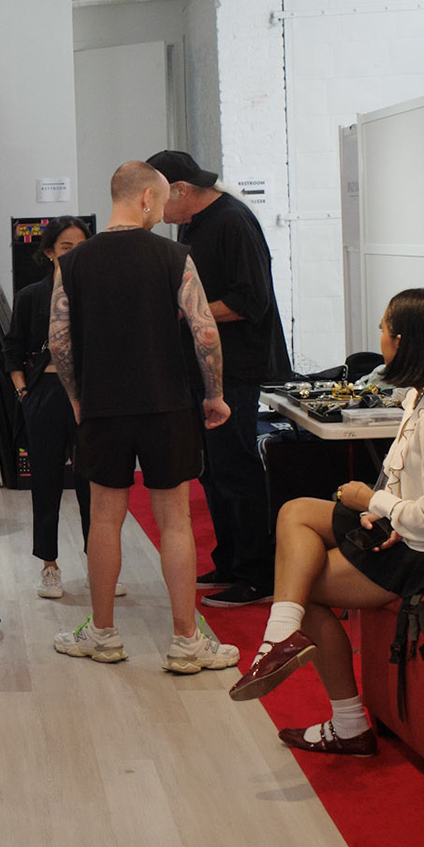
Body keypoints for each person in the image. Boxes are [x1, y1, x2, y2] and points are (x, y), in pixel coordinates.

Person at [228, 288, 424, 756]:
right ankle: (279, 637)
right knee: (295, 512)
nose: (379, 338)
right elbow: (408, 483)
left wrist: (373, 501)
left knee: (304, 586)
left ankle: (348, 722)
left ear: (402, 340)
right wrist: (381, 506)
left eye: (382, 329)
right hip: (406, 530)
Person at [48, 162, 240, 676]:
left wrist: (76, 397)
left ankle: (103, 634)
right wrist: (215, 395)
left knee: (104, 519)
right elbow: (204, 331)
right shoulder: (174, 256)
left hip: (102, 407)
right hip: (166, 405)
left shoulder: (73, 262)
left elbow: (58, 341)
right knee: (175, 520)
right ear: (148, 199)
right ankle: (186, 641)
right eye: (160, 202)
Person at [147, 150, 294, 608]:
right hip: (203, 365)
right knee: (212, 470)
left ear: (181, 190)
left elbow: (251, 300)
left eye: (158, 198)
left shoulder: (233, 222)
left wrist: (187, 312)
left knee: (236, 467)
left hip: (236, 367)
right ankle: (230, 560)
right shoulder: (194, 224)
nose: (154, 209)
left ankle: (257, 573)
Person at [4, 216, 100, 599]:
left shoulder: (97, 293)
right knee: (45, 482)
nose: (75, 254)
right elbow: (12, 348)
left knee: (93, 483)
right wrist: (23, 392)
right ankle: (49, 565)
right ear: (49, 252)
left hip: (89, 395)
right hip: (44, 393)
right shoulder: (31, 296)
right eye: (66, 247)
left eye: (82, 247)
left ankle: (99, 563)